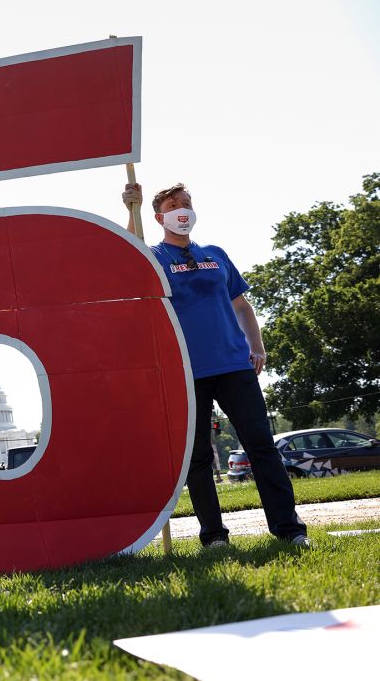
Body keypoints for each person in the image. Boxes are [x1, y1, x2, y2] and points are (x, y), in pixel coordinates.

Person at [122, 183, 308, 548]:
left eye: (186, 203)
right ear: (160, 217)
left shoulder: (216, 254)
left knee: (261, 446)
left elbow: (242, 306)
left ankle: (290, 530)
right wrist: (134, 209)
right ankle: (214, 536)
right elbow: (127, 257)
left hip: (234, 366)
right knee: (198, 457)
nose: (182, 209)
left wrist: (258, 347)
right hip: (186, 371)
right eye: (173, 205)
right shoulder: (155, 255)